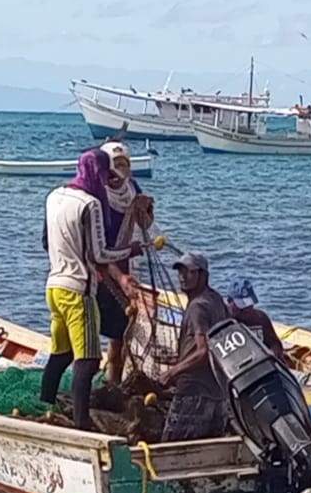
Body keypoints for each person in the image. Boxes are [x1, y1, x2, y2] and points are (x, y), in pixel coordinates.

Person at [39, 148, 142, 431]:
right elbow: (100, 254)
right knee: (89, 360)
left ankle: (45, 401)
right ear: (97, 172)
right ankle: (82, 424)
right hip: (79, 291)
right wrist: (130, 250)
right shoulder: (90, 204)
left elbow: (45, 241)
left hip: (54, 288)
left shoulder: (54, 197)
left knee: (61, 353)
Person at [94, 141, 155, 384]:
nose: (117, 177)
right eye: (113, 170)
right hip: (100, 267)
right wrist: (115, 274)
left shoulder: (132, 188)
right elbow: (94, 247)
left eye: (123, 168)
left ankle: (114, 381)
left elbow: (145, 224)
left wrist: (147, 209)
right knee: (98, 324)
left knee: (121, 330)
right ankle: (95, 375)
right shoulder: (96, 195)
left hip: (126, 264)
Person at [160, 252, 229, 441]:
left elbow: (202, 351)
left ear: (203, 275)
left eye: (189, 272)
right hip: (218, 394)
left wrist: (172, 372)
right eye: (180, 272)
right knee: (208, 451)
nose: (182, 277)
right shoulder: (216, 300)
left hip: (193, 392)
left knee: (171, 448)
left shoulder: (197, 307)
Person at [224, 278, 287, 364]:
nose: (246, 309)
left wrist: (272, 354)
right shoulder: (222, 321)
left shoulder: (260, 318)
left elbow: (274, 343)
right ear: (229, 301)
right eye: (241, 305)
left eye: (249, 304)